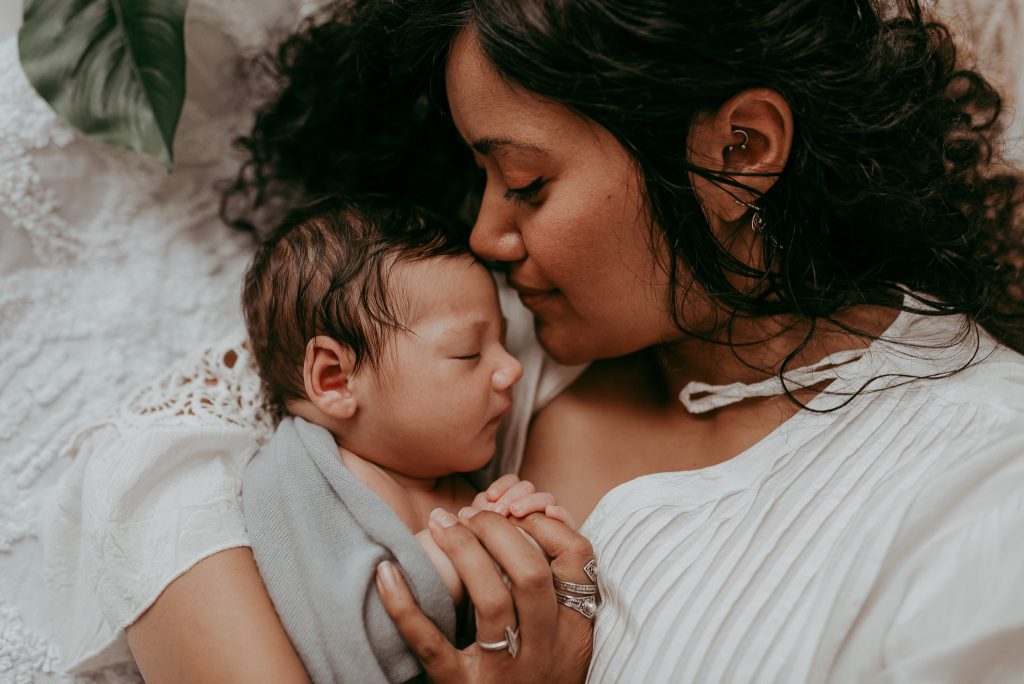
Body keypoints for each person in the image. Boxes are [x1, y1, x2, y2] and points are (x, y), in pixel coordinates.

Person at [44, 0, 1024, 682]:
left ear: (740, 149)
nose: (485, 232)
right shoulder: (495, 314)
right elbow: (155, 462)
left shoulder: (981, 475)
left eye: (525, 182)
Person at [239, 194, 577, 682]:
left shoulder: (454, 475)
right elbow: (334, 641)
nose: (511, 369)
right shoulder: (295, 472)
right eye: (467, 353)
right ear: (335, 377)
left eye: (503, 342)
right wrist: (454, 555)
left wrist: (528, 548)